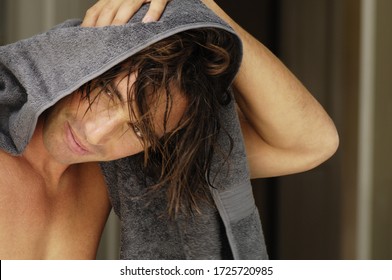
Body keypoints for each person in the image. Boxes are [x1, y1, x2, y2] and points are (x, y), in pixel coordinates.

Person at [0, 0, 339, 259]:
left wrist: (200, 9)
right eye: (104, 93)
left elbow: (310, 144)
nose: (97, 133)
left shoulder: (111, 170)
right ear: (80, 59)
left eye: (139, 129)